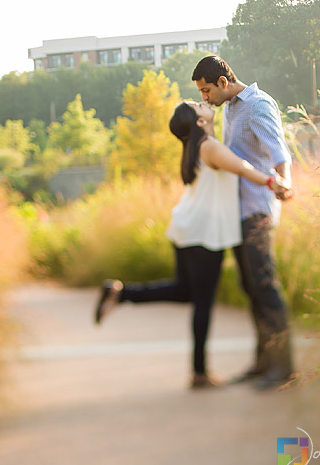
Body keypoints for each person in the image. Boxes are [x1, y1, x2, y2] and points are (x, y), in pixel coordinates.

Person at [93, 101, 289, 389]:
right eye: (199, 106)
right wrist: (272, 181)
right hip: (203, 234)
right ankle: (199, 373)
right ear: (199, 122)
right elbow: (243, 167)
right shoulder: (208, 145)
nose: (204, 103)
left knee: (184, 291)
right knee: (202, 303)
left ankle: (121, 294)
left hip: (188, 228)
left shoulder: (195, 148)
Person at [191, 55, 297, 391]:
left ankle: (285, 368)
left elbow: (279, 151)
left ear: (222, 82)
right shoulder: (231, 108)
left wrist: (286, 181)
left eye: (207, 91)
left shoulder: (256, 104)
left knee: (265, 287)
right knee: (250, 288)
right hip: (238, 212)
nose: (205, 98)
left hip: (257, 211)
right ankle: (263, 362)